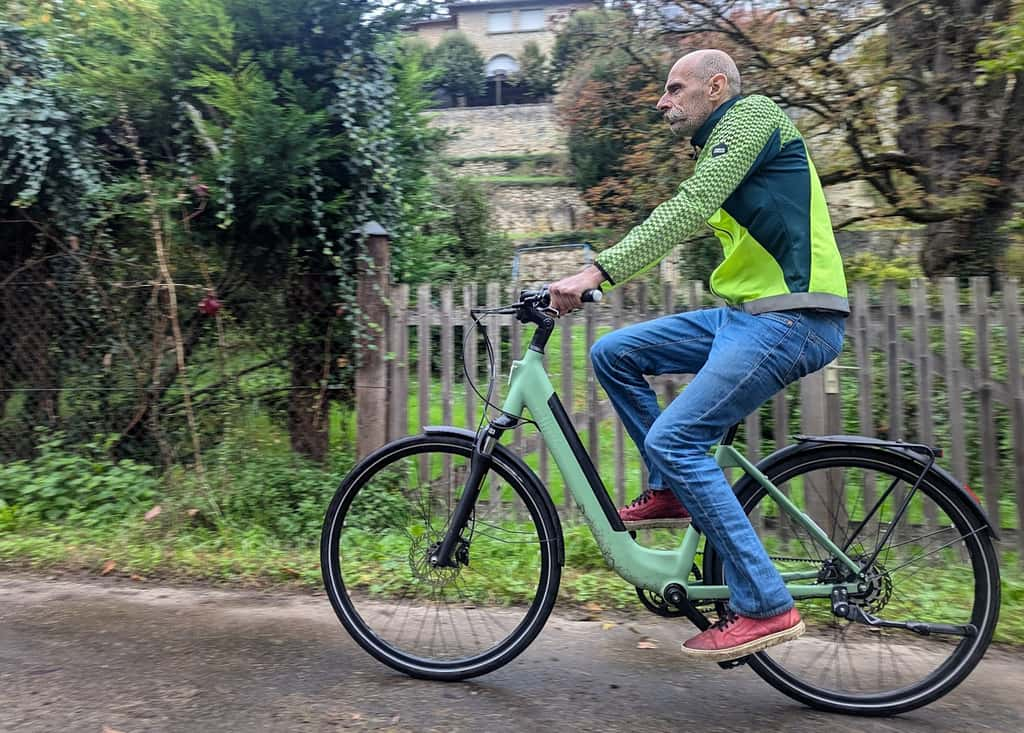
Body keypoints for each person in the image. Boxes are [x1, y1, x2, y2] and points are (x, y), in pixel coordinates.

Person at [548, 49, 848, 661]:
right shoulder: (719, 147)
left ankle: (765, 603)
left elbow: (684, 210)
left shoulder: (753, 117)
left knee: (677, 436)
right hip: (744, 317)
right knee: (615, 353)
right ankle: (673, 490)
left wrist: (595, 271)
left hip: (794, 317)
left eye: (674, 88)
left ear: (716, 87)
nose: (663, 101)